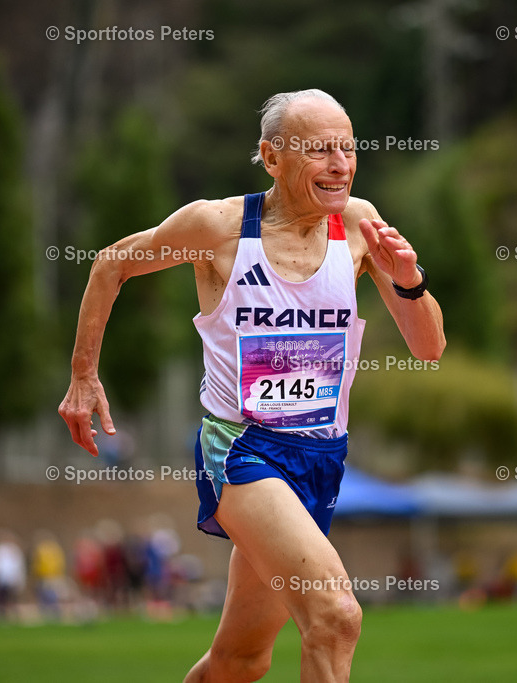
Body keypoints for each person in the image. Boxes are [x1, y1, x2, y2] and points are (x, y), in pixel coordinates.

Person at [59, 88, 445, 682]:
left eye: (348, 147)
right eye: (319, 150)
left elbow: (429, 347)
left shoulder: (361, 224)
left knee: (239, 662)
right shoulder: (217, 227)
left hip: (320, 458)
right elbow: (111, 262)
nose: (340, 163)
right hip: (241, 450)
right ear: (271, 158)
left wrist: (410, 279)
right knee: (335, 615)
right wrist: (84, 375)